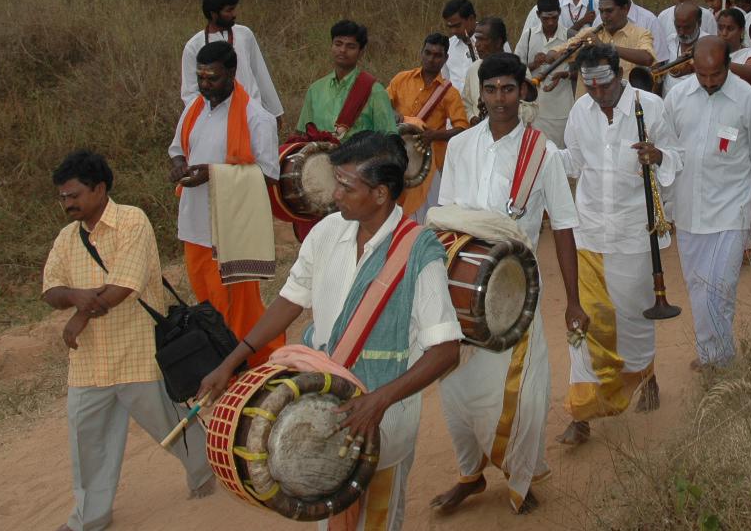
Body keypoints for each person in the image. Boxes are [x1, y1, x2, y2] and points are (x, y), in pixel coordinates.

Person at [196, 132, 463, 531]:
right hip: (322, 408)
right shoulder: (325, 232)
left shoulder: (420, 251)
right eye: (336, 182)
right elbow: (290, 300)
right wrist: (230, 362)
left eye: (346, 186)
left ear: (380, 194)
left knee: (378, 521)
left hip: (385, 419)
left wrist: (378, 402)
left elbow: (446, 350)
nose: (335, 194)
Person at [429, 54, 588, 515]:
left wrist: (573, 301)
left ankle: (520, 476)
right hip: (461, 288)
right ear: (480, 94)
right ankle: (470, 474)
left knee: (523, 388)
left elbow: (563, 227)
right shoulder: (460, 146)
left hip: (517, 290)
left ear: (523, 92)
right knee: (456, 387)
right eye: (491, 89)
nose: (500, 98)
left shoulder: (544, 154)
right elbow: (446, 219)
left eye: (508, 89)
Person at [43, 150, 213, 531]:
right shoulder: (66, 238)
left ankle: (207, 477)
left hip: (137, 350)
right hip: (88, 363)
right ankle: (90, 518)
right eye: (62, 197)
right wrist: (74, 296)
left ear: (100, 189)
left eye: (74, 195)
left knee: (171, 426)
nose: (67, 204)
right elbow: (50, 289)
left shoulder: (132, 221)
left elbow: (124, 285)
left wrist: (80, 314)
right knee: (87, 444)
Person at [557, 44, 682, 444]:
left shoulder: (651, 107)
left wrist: (658, 156)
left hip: (635, 233)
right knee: (586, 317)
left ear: (620, 74)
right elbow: (574, 163)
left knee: (633, 319)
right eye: (590, 86)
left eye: (604, 85)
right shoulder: (580, 111)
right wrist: (537, 154)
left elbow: (677, 157)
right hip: (590, 230)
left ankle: (646, 374)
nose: (598, 94)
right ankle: (582, 412)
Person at [666, 38, 751, 369]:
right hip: (689, 210)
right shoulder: (677, 97)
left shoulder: (748, 100)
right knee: (698, 288)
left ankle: (721, 359)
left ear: (729, 66)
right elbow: (667, 151)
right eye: (701, 75)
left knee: (721, 287)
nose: (708, 82)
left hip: (732, 208)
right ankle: (710, 353)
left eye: (715, 74)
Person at [167, 41, 284, 367]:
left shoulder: (256, 117)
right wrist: (178, 166)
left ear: (232, 73)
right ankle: (226, 367)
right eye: (201, 78)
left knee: (237, 310)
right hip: (194, 228)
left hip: (232, 234)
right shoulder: (194, 108)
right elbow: (177, 149)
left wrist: (214, 175)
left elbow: (269, 175)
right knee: (208, 309)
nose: (205, 85)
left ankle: (255, 365)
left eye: (213, 78)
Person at [386, 33, 470, 219]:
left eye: (438, 55)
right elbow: (382, 103)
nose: (431, 59)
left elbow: (462, 129)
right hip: (397, 157)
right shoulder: (401, 79)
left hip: (428, 165)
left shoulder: (449, 93)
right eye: (428, 53)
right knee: (394, 212)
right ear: (421, 52)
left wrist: (434, 136)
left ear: (446, 58)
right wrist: (393, 113)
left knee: (429, 217)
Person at [179, 0, 283, 121]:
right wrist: (206, 121)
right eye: (229, 10)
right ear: (214, 14)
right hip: (217, 118)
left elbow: (260, 73)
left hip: (252, 113)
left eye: (234, 9)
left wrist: (274, 112)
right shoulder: (193, 46)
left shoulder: (245, 34)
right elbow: (190, 93)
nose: (234, 14)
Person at [295, 20, 399, 140]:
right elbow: (301, 134)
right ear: (331, 46)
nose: (343, 50)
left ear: (361, 52)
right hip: (318, 151)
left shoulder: (375, 91)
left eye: (351, 46)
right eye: (338, 44)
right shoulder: (315, 90)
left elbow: (389, 139)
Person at [517, 0, 575, 146]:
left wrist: (565, 75)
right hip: (535, 110)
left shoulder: (569, 37)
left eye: (554, 18)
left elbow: (580, 72)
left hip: (562, 110)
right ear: (538, 15)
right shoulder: (528, 36)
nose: (550, 22)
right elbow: (516, 68)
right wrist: (534, 64)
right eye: (545, 18)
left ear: (559, 13)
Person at [580, 0, 655, 93]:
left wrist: (605, 47)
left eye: (609, 11)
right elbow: (558, 52)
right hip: (590, 101)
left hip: (628, 100)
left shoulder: (641, 34)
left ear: (625, 9)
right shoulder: (589, 34)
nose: (604, 16)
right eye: (601, 11)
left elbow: (647, 58)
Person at [655, 0, 719, 61]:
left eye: (688, 1)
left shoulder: (707, 16)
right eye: (681, 1)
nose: (682, 32)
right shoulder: (663, 17)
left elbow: (714, 45)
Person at [461, 16, 510, 117]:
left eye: (482, 40)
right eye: (476, 39)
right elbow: (465, 103)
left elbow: (531, 108)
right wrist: (472, 118)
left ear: (498, 42)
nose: (476, 45)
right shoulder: (473, 69)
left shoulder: (516, 69)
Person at [715, 7, 751, 89]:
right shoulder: (712, 53)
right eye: (720, 28)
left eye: (730, 28)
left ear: (742, 31)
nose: (724, 33)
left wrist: (720, 65)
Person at [442, 0, 480, 91]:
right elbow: (445, 80)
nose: (453, 31)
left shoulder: (492, 41)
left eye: (457, 26)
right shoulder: (448, 46)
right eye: (450, 27)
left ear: (471, 19)